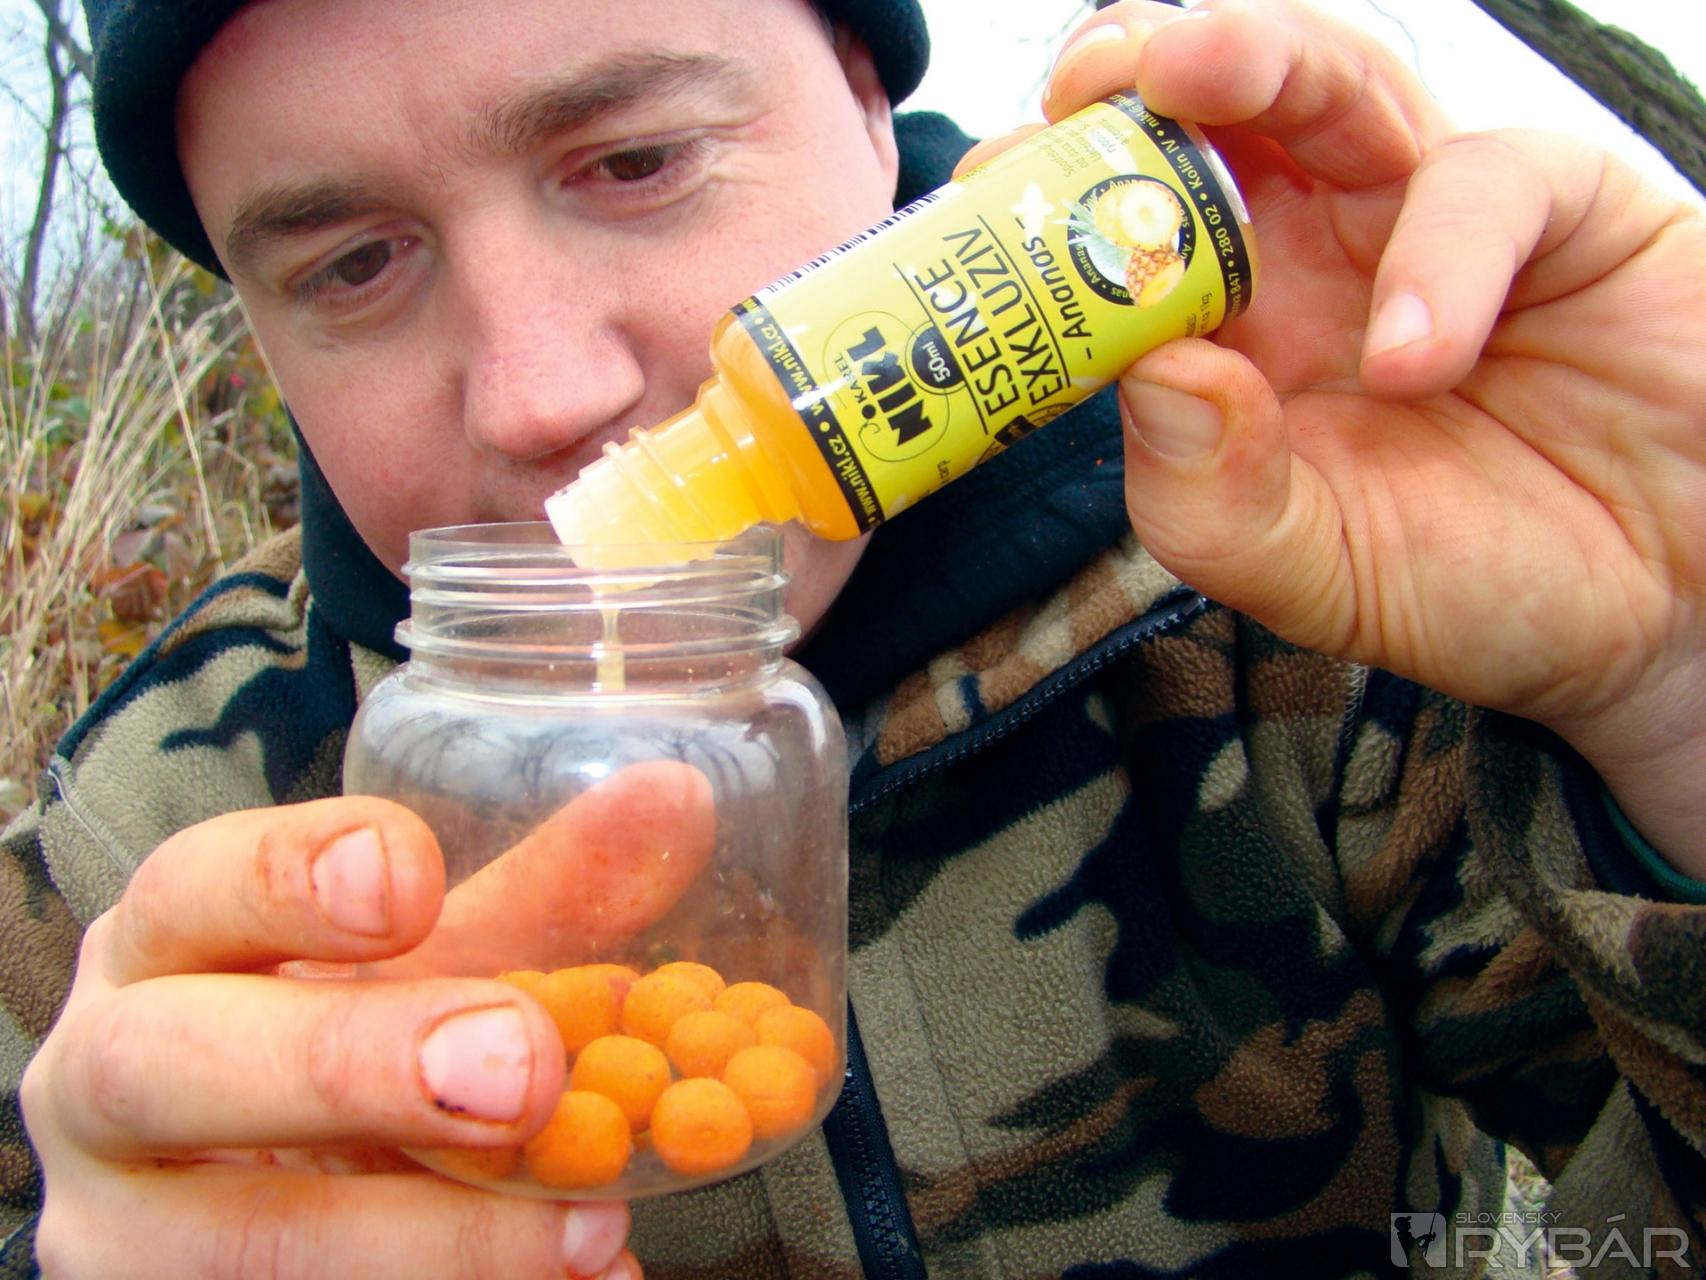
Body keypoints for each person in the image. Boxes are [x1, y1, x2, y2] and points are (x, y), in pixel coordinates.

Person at [4, 0, 1705, 1274]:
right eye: (354, 264)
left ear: (870, 99)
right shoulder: (151, 844)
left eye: (636, 161)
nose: (541, 396)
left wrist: (1673, 704)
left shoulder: (1315, 614)